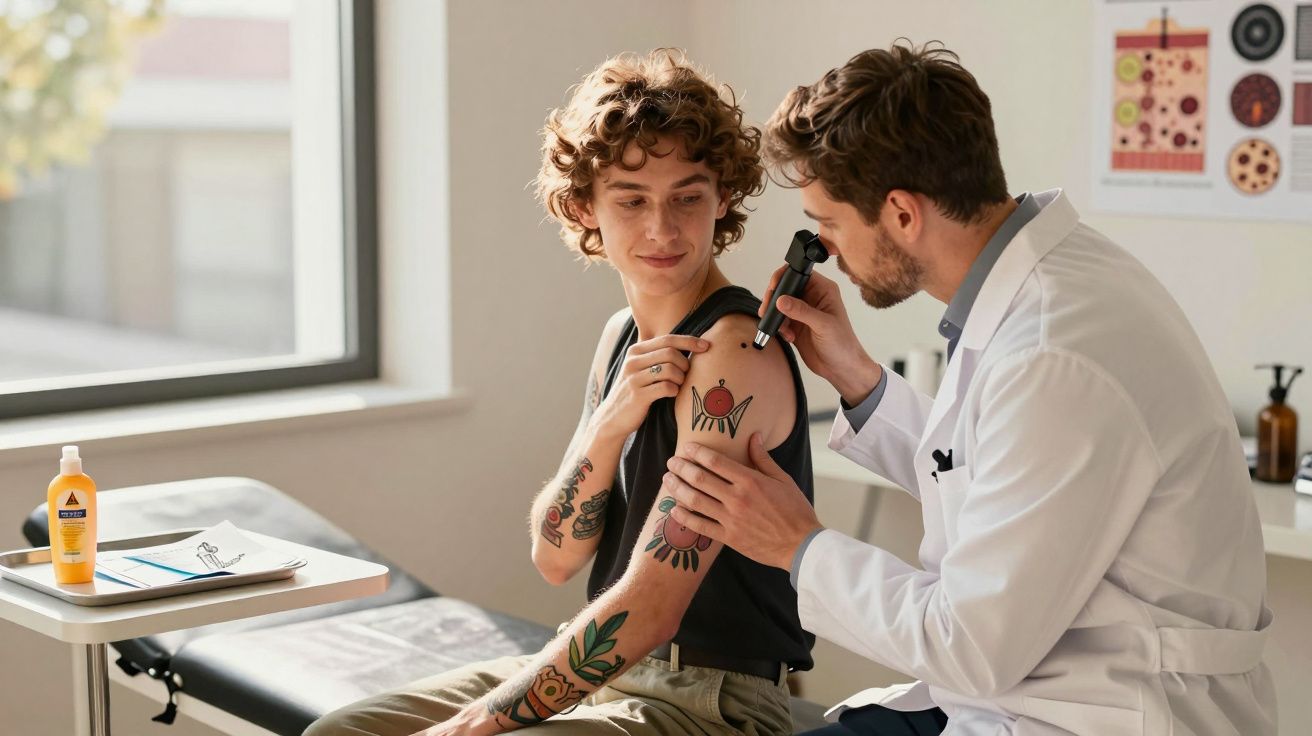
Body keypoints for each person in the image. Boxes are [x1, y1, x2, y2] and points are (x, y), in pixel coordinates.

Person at [664, 41, 1276, 735]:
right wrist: (859, 381)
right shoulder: (1050, 286)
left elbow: (972, 645)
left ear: (901, 213)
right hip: (1025, 685)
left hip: (1104, 713)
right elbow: (999, 475)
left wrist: (799, 546)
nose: (824, 248)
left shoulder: (1052, 352)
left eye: (828, 224)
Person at [305, 49, 815, 736]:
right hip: (608, 675)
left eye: (687, 197)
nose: (662, 229)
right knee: (341, 731)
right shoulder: (619, 339)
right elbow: (556, 557)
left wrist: (475, 724)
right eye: (632, 201)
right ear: (585, 206)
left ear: (722, 196)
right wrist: (610, 422)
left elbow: (655, 605)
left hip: (710, 704)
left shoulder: (732, 356)